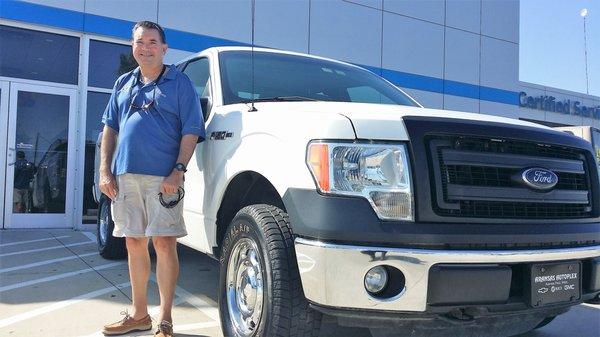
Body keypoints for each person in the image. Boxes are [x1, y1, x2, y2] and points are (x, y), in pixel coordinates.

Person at [99, 21, 205, 337]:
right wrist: (105, 170)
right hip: (125, 176)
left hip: (163, 179)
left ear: (164, 48)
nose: (145, 47)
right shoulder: (123, 83)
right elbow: (110, 128)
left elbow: (192, 130)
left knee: (163, 242)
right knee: (133, 242)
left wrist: (178, 171)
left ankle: (167, 319)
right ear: (133, 46)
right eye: (140, 42)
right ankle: (139, 315)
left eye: (152, 42)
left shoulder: (180, 83)